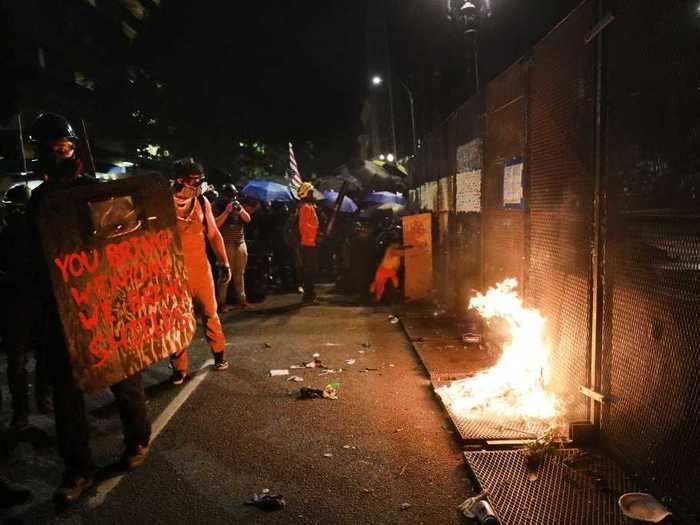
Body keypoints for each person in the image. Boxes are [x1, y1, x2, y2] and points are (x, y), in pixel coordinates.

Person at [24, 113, 151, 505]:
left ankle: (137, 440)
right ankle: (77, 470)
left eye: (61, 148)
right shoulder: (40, 201)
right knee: (67, 396)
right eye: (49, 150)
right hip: (62, 312)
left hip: (105, 306)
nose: (56, 156)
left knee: (123, 378)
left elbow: (125, 243)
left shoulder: (96, 193)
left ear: (74, 150)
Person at [170, 158, 231, 384]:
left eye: (198, 180)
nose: (195, 184)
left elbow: (213, 234)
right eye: (191, 180)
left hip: (200, 270)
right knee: (177, 320)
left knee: (210, 313)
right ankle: (178, 368)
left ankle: (219, 355)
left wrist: (224, 263)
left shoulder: (202, 202)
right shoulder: (161, 203)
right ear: (178, 180)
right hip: (173, 274)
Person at [0, 184, 52, 432]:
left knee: (43, 355)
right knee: (17, 362)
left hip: (38, 302)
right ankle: (21, 412)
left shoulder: (40, 230)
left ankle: (42, 398)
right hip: (14, 305)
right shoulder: (3, 233)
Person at [213, 183, 256, 311]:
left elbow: (247, 219)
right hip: (226, 244)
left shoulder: (237, 205)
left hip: (240, 243)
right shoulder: (216, 206)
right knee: (226, 274)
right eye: (230, 196)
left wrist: (240, 210)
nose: (232, 198)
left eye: (234, 196)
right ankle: (221, 303)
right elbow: (215, 224)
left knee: (240, 273)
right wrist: (227, 211)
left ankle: (242, 301)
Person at [369, 228, 410, 303]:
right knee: (379, 286)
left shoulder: (394, 249)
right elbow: (398, 252)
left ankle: (383, 298)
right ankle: (375, 299)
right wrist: (409, 250)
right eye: (397, 243)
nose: (398, 244)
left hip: (390, 271)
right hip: (384, 270)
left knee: (394, 283)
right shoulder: (391, 249)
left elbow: (399, 254)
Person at [296, 182, 319, 304]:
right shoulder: (305, 207)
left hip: (310, 242)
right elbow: (304, 226)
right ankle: (309, 296)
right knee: (309, 270)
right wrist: (316, 235)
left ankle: (310, 295)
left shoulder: (308, 206)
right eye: (311, 192)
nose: (313, 194)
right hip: (308, 243)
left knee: (310, 270)